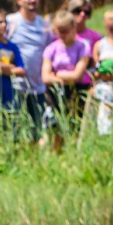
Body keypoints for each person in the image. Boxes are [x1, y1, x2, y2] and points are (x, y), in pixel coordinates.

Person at [6, 0, 51, 140]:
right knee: (14, 128)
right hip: (15, 86)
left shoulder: (44, 25)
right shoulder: (10, 22)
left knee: (37, 129)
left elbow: (49, 50)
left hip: (37, 86)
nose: (32, 0)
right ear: (19, 0)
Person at [40, 11, 91, 149]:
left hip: (77, 92)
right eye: (59, 31)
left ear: (74, 28)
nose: (62, 35)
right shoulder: (51, 48)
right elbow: (45, 76)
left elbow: (77, 76)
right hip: (55, 94)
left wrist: (58, 75)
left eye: (65, 31)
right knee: (54, 128)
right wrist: (64, 78)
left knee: (75, 126)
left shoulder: (83, 46)